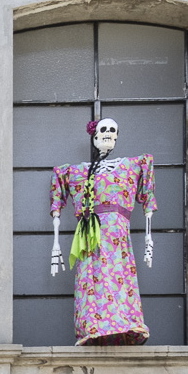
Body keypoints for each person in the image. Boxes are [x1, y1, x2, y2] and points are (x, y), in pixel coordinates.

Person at [49, 117, 155, 345]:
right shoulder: (77, 172)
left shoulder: (131, 166)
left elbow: (148, 199)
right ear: (94, 135)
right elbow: (58, 196)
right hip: (90, 236)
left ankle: (125, 322)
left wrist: (149, 239)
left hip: (118, 236)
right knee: (92, 276)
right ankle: (93, 326)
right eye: (104, 129)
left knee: (120, 276)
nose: (108, 134)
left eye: (113, 130)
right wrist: (55, 246)